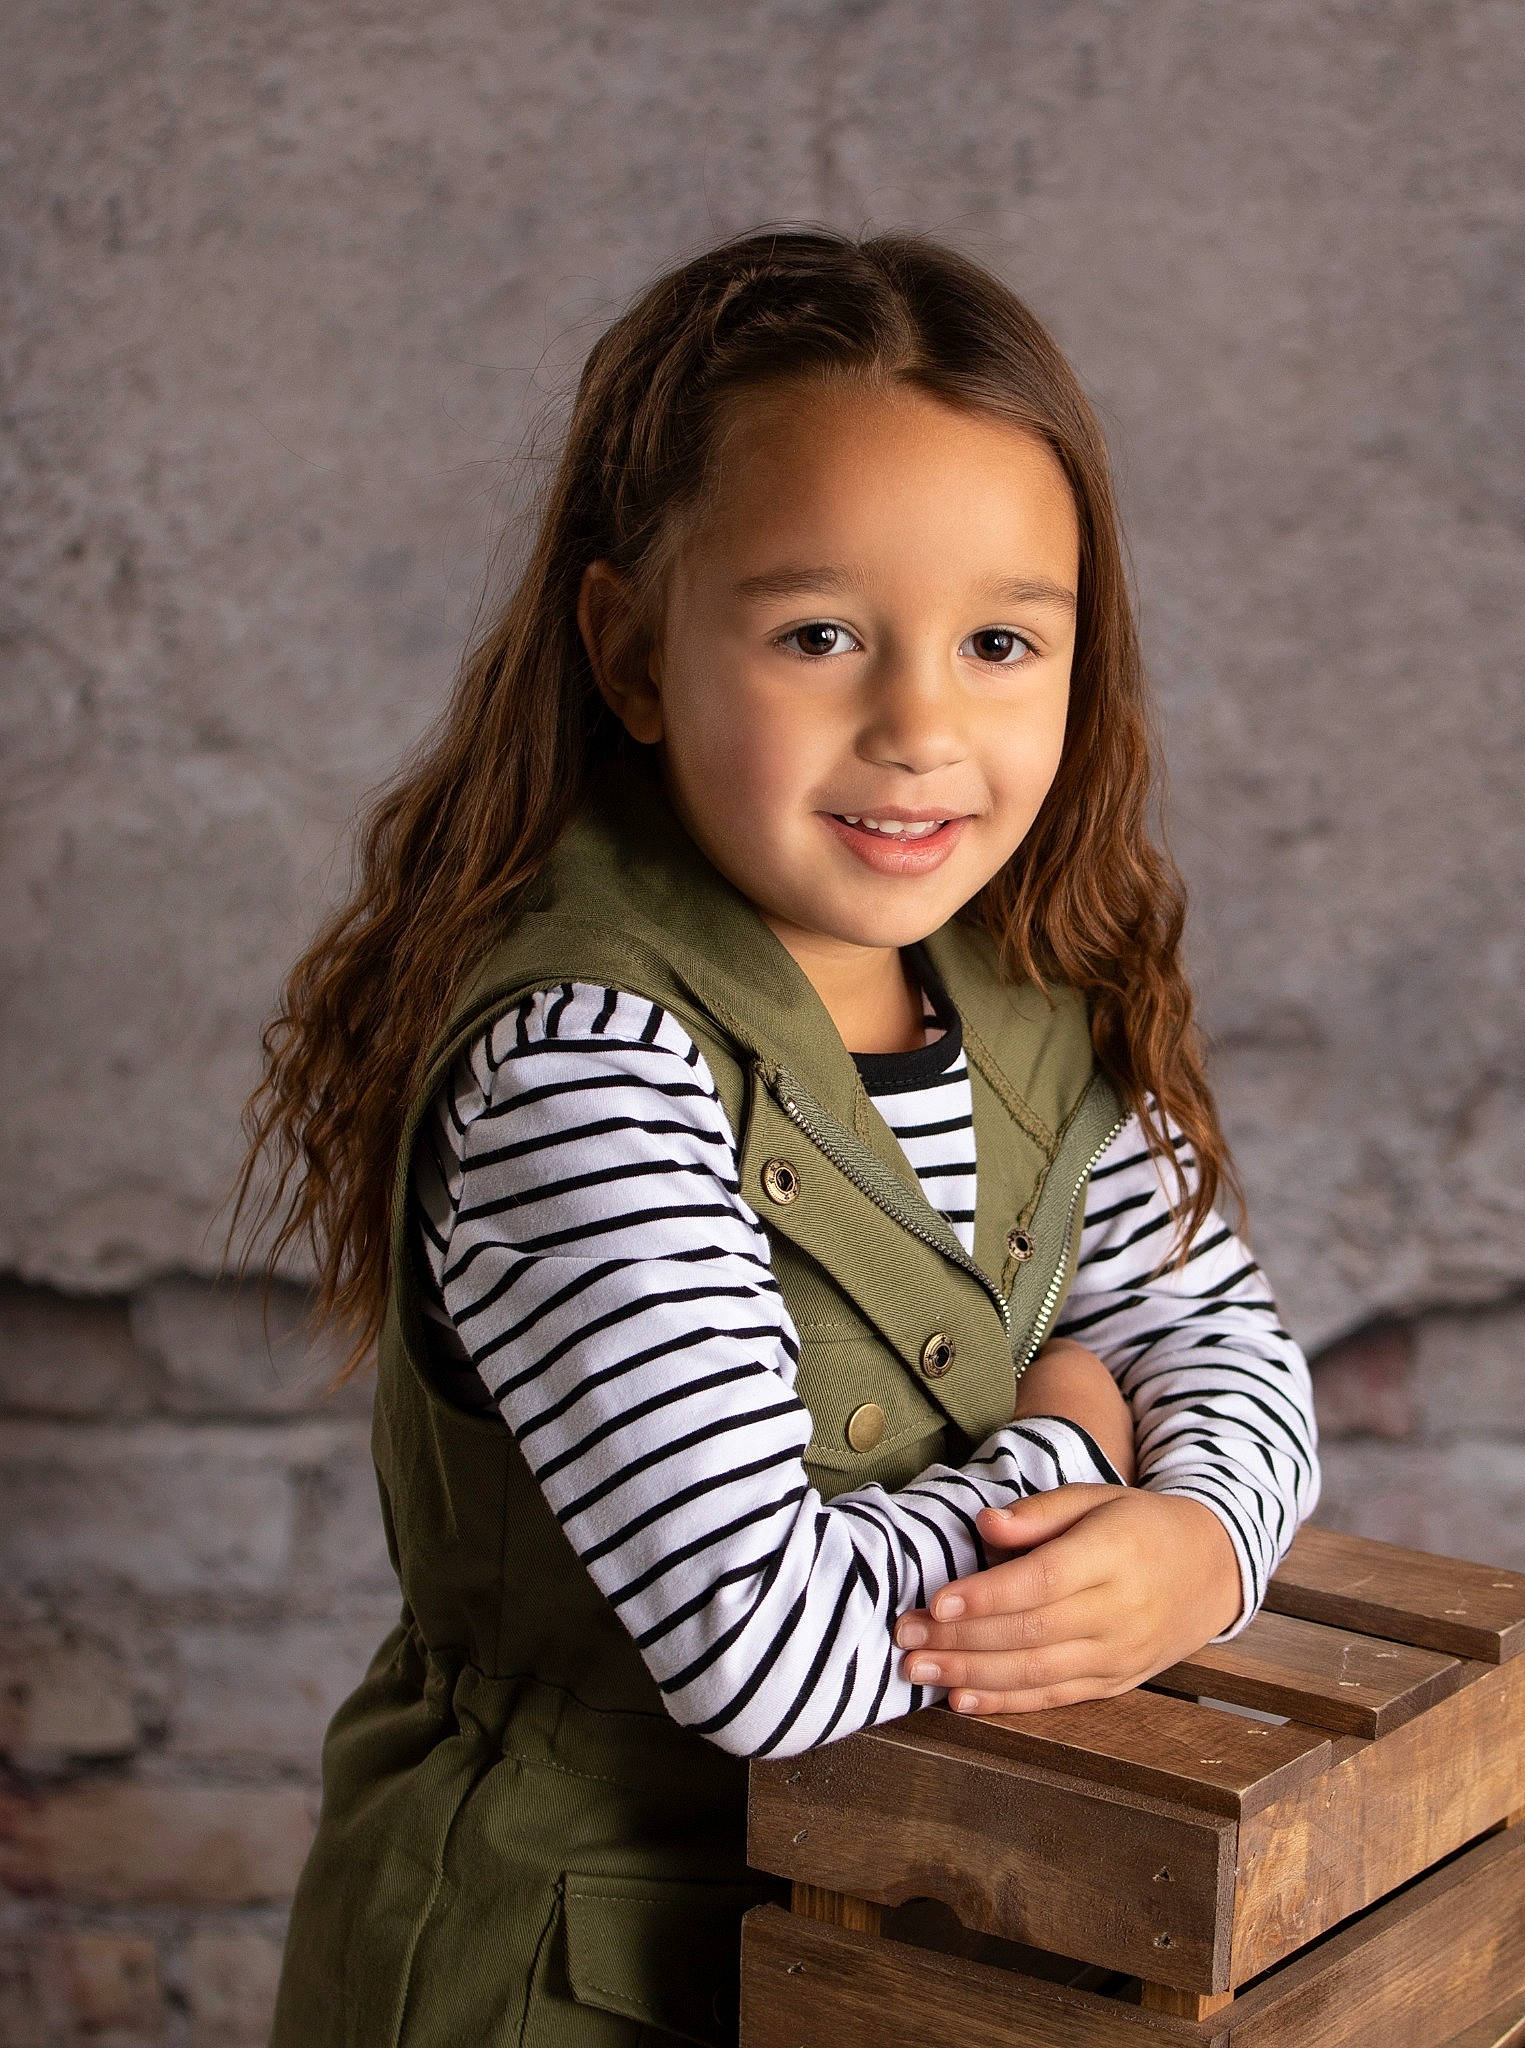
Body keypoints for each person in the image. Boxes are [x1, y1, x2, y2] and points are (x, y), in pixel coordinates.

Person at [237, 227, 1319, 2048]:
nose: (917, 724)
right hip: (573, 1970)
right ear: (632, 649)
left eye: (996, 642)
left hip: (883, 1941)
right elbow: (767, 1645)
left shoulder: (1028, 986)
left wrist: (1200, 1534)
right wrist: (1065, 1438)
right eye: (818, 634)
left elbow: (1220, 1340)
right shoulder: (585, 1067)